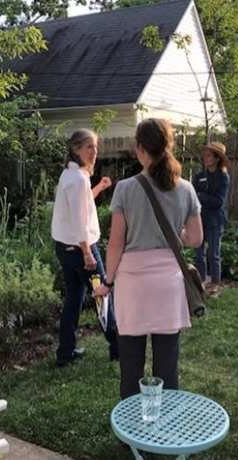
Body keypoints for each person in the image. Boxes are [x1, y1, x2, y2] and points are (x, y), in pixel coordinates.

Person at [93, 118, 203, 399]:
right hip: (169, 283)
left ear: (140, 148)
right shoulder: (186, 188)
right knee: (168, 364)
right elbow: (194, 239)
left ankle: (131, 429)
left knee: (131, 364)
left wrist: (108, 281)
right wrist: (173, 231)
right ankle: (167, 429)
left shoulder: (126, 189)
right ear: (168, 146)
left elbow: (116, 242)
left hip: (133, 285)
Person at [51, 129, 119, 367]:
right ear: (76, 149)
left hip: (65, 248)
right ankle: (118, 346)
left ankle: (65, 352)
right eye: (89, 147)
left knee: (74, 299)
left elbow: (79, 206)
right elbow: (80, 221)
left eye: (96, 147)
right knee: (103, 296)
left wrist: (99, 187)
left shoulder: (71, 175)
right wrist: (88, 252)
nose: (94, 152)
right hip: (82, 249)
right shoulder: (78, 178)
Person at [192, 142, 230, 298]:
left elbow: (219, 201)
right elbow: (192, 196)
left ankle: (215, 285)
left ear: (216, 158)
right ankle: (201, 282)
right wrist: (202, 198)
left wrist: (202, 197)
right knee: (199, 252)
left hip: (215, 221)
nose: (205, 158)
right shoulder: (199, 176)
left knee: (213, 254)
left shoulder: (223, 177)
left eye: (209, 155)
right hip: (199, 219)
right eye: (205, 155)